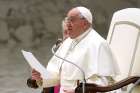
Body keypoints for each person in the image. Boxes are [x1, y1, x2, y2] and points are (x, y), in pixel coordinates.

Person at [31, 6, 120, 93]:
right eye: (67, 20)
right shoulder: (68, 42)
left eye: (72, 20)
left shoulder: (98, 44)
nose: (68, 24)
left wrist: (77, 91)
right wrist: (41, 77)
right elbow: (57, 73)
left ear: (85, 23)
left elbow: (102, 81)